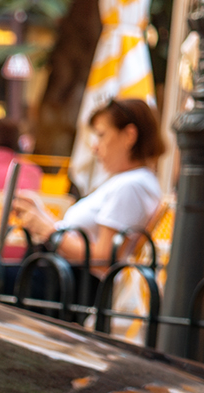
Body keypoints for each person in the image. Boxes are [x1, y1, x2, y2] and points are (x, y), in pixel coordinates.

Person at [12, 97, 169, 273]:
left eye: (101, 135)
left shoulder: (131, 185)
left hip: (67, 285)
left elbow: (103, 259)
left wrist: (50, 231)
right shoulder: (131, 181)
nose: (95, 147)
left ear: (129, 136)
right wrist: (41, 216)